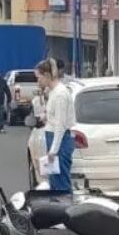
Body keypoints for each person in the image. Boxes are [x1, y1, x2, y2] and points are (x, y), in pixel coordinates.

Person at [35, 58, 75, 193]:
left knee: (61, 183)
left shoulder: (60, 94)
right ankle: (58, 211)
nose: (38, 81)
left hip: (60, 141)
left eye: (39, 77)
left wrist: (53, 151)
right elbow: (54, 117)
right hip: (53, 138)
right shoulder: (53, 92)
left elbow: (60, 126)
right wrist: (46, 116)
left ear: (47, 75)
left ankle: (65, 212)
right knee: (55, 182)